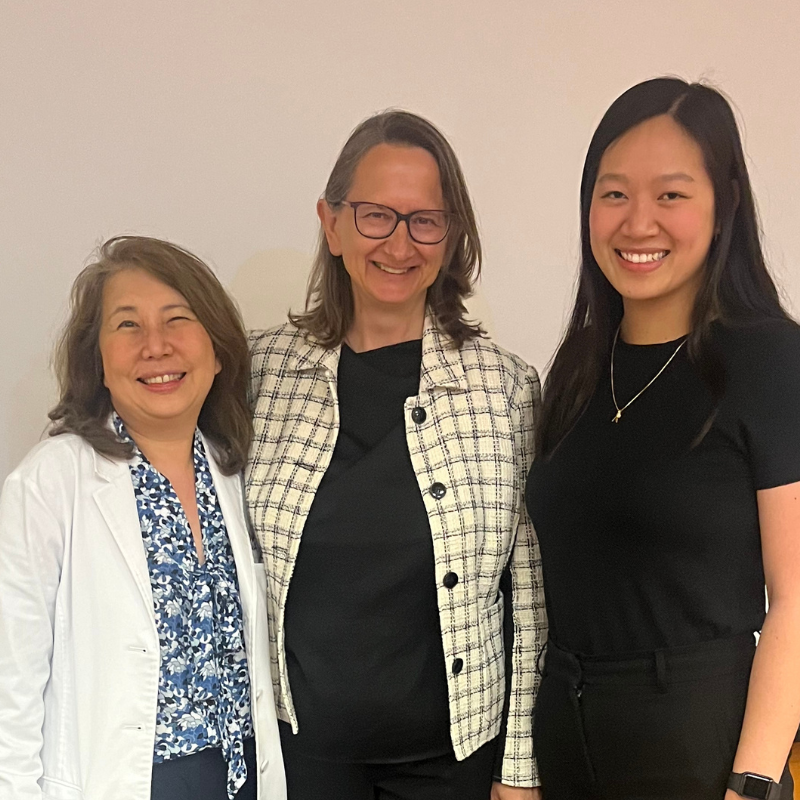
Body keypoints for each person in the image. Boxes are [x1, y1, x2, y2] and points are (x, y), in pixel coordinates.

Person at [246, 110, 546, 800]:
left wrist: (520, 770)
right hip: (300, 761)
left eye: (425, 220)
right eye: (376, 215)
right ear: (332, 222)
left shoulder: (505, 389)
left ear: (451, 235)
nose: (399, 242)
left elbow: (529, 595)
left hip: (453, 764)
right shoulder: (255, 374)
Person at [527, 77, 800, 800]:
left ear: (725, 205)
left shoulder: (769, 359)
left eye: (671, 195)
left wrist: (755, 782)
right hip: (566, 733)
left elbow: (799, 594)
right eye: (613, 193)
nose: (636, 222)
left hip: (695, 745)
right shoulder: (581, 363)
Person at [0, 236, 286, 800]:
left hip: (240, 778)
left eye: (177, 319)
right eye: (127, 326)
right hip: (120, 780)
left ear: (217, 348)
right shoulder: (51, 483)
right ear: (98, 361)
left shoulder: (234, 470)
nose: (156, 347)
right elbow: (10, 686)